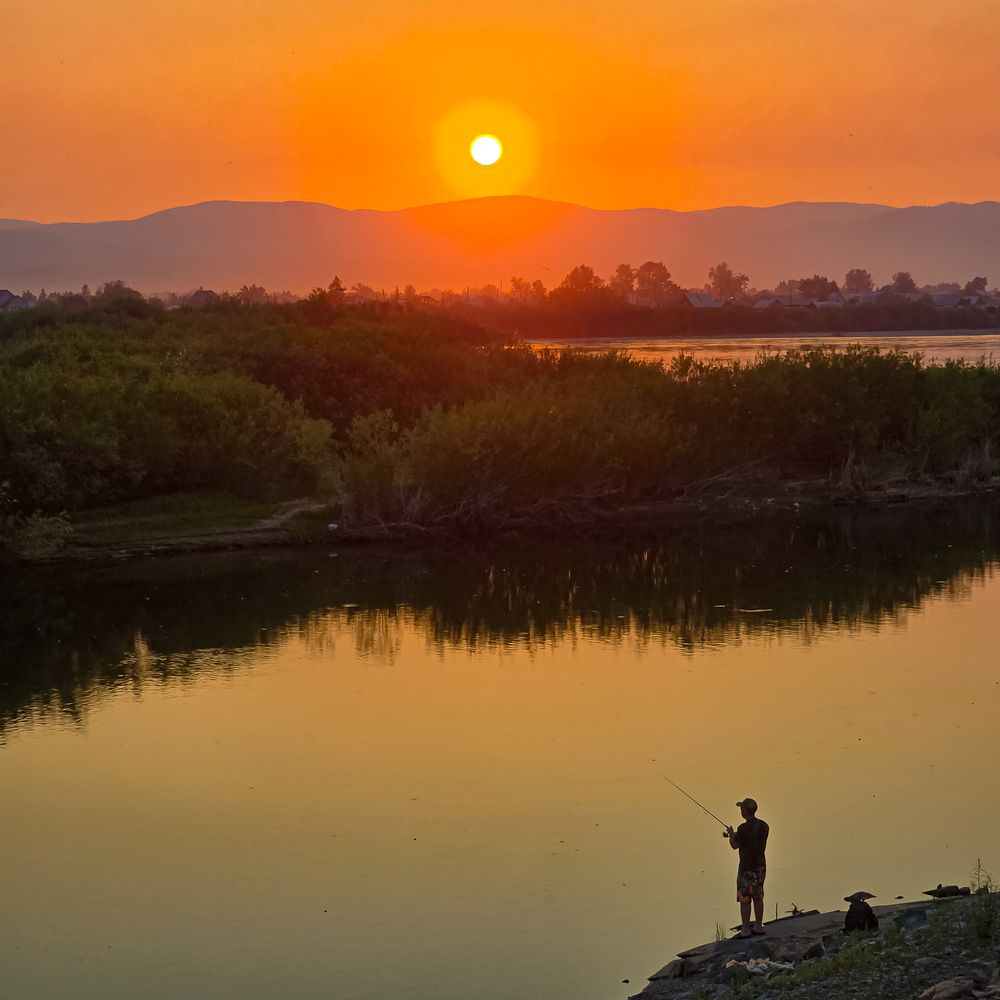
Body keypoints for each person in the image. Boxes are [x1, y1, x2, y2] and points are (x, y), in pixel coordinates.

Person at [725, 797, 769, 938]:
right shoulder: (764, 826)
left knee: (745, 898)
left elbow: (734, 845)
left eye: (741, 808)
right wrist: (738, 835)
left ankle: (745, 928)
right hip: (760, 866)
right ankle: (758, 926)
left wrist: (732, 835)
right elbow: (752, 838)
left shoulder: (742, 829)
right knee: (758, 895)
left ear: (744, 811)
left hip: (746, 867)